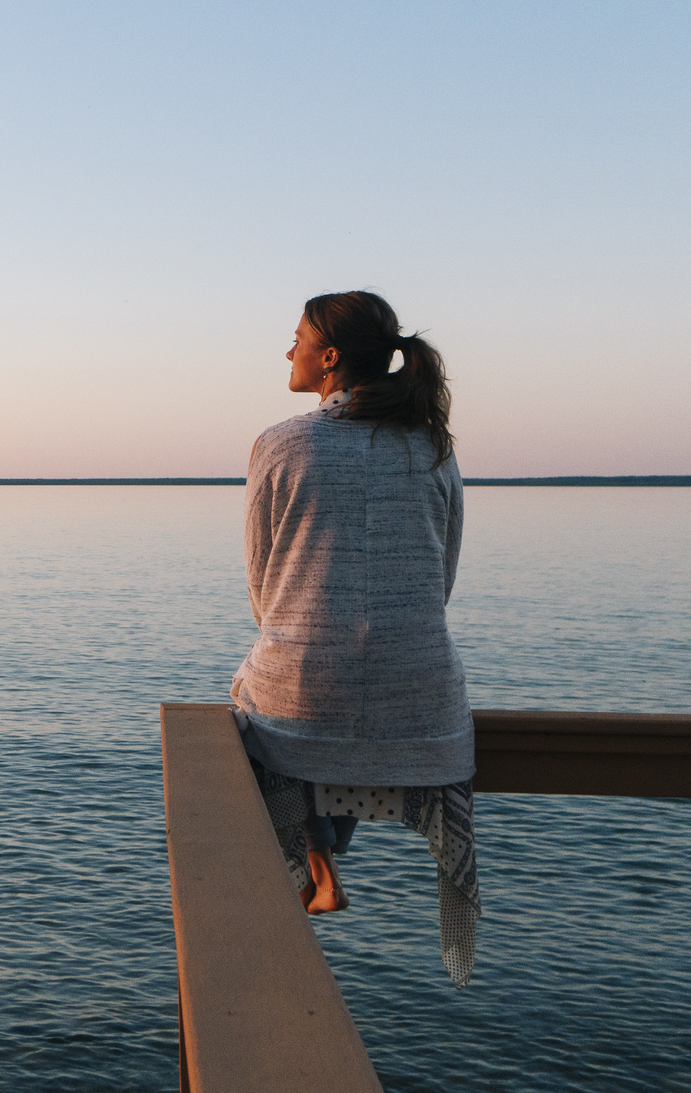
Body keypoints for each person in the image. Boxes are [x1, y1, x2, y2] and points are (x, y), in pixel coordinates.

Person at [230, 289, 481, 984]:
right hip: (423, 694)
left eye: (296, 338)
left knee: (266, 700)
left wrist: (303, 633)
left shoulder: (281, 443)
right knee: (328, 709)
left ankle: (317, 862)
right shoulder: (432, 445)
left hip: (305, 687)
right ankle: (325, 858)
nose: (287, 350)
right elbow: (443, 574)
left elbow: (262, 584)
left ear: (329, 358)